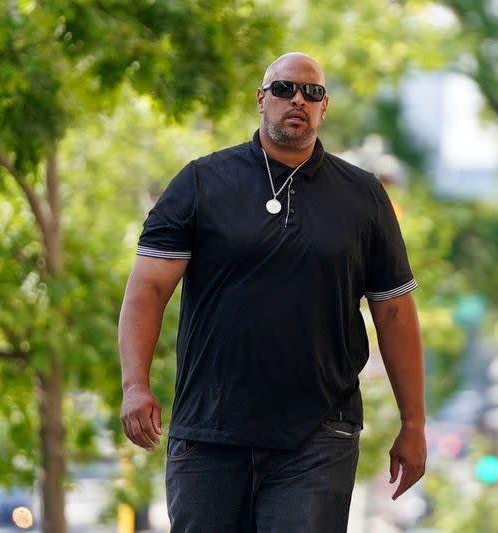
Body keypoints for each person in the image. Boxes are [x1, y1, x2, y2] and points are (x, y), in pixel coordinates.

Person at [118, 52, 426, 533]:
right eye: (284, 89)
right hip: (210, 430)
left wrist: (414, 424)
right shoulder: (201, 182)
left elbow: (395, 315)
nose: (297, 99)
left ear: (325, 108)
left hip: (319, 433)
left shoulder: (363, 197)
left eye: (313, 92)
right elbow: (148, 289)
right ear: (262, 99)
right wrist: (134, 384)